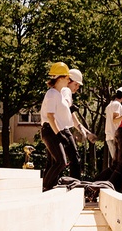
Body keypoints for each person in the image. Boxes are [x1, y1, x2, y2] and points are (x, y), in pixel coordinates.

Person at [40, 62, 80, 191]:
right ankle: (45, 187)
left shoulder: (58, 94)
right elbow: (50, 116)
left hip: (55, 130)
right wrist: (59, 134)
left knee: (56, 162)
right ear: (60, 78)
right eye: (67, 77)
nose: (69, 80)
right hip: (50, 130)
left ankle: (48, 187)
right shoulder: (51, 94)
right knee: (61, 162)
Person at [105, 86, 122, 164]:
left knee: (116, 161)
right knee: (119, 162)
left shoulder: (110, 104)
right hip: (114, 136)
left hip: (110, 136)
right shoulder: (117, 105)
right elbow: (115, 120)